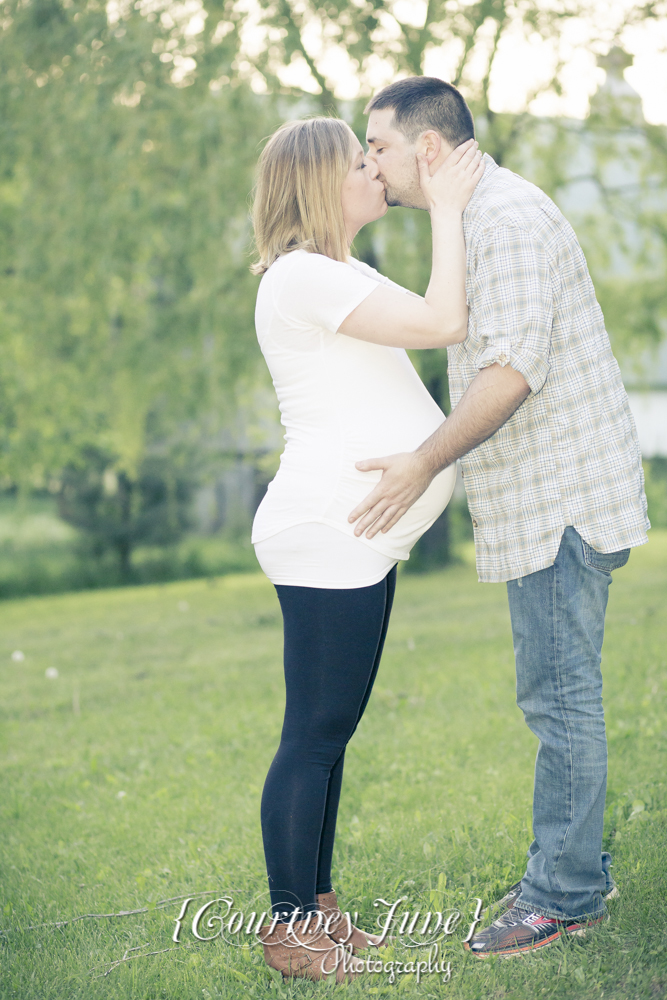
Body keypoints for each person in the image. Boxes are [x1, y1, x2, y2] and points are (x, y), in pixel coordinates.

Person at [347, 76, 650, 958]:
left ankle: (561, 895)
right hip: (546, 500)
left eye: (380, 148)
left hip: (559, 502)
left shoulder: (506, 224)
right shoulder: (478, 219)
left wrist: (423, 462)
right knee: (559, 695)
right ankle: (574, 874)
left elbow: (509, 373)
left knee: (559, 700)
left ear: (428, 150)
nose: (372, 163)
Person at [249, 116, 484, 981]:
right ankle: (287, 933)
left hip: (358, 536)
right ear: (320, 183)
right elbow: (445, 321)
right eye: (360, 163)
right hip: (326, 529)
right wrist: (449, 208)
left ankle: (316, 910)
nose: (374, 174)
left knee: (329, 733)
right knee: (311, 735)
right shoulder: (306, 275)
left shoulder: (338, 272)